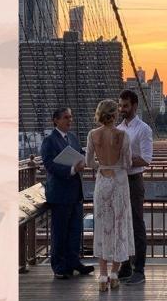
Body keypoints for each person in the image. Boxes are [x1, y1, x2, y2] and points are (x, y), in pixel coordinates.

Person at [85, 99, 135, 292]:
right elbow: (128, 163)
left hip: (102, 183)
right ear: (115, 115)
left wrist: (101, 166)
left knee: (102, 227)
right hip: (119, 182)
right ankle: (115, 274)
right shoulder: (123, 135)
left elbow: (89, 162)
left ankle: (102, 275)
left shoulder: (92, 135)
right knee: (119, 226)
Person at [41, 108, 94, 279]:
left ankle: (73, 262)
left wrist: (86, 159)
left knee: (74, 231)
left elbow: (81, 154)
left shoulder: (72, 138)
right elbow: (49, 165)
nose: (70, 120)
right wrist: (72, 169)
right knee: (60, 232)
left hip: (75, 193)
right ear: (55, 120)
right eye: (66, 118)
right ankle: (59, 267)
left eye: (71, 117)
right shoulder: (49, 141)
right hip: (60, 194)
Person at [116, 89, 153, 285]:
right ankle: (125, 266)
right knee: (121, 225)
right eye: (120, 105)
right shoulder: (118, 129)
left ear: (135, 106)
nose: (122, 109)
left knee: (137, 224)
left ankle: (139, 270)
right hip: (119, 181)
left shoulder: (144, 129)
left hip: (134, 181)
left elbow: (146, 159)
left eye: (126, 106)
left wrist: (125, 161)